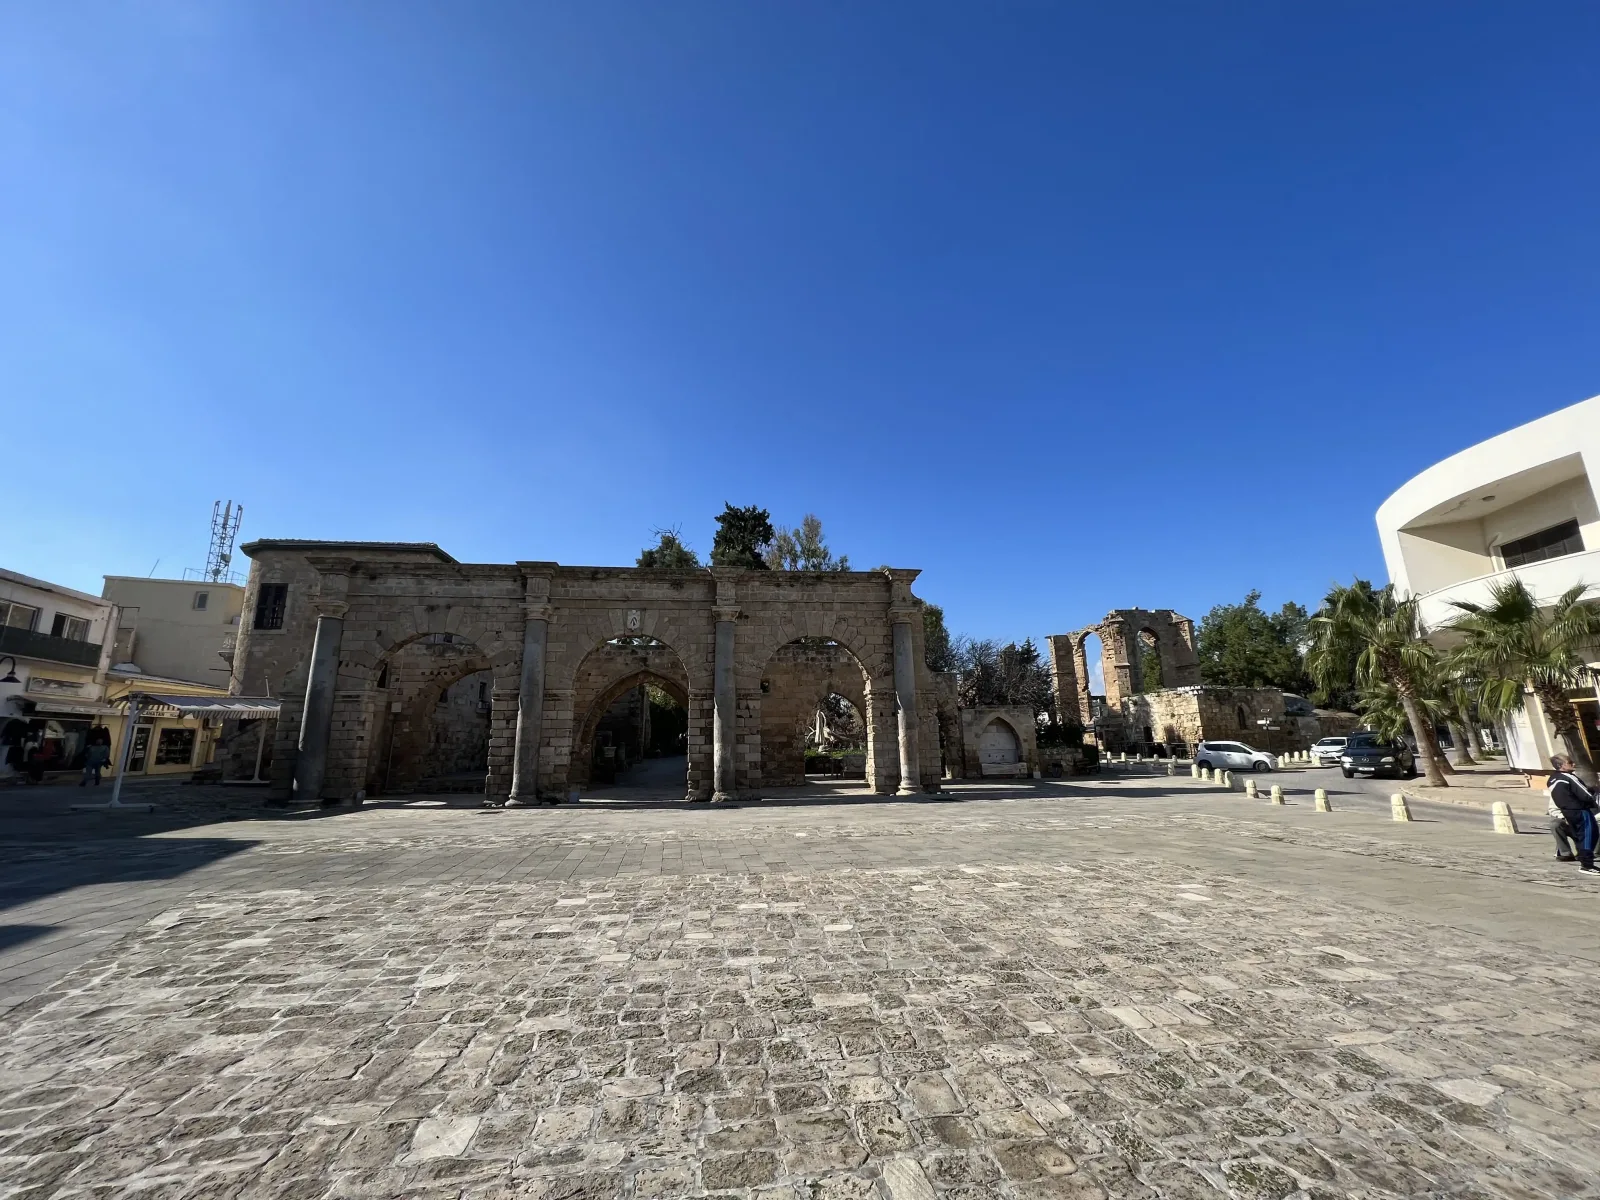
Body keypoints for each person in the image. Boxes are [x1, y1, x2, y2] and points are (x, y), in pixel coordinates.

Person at [1547, 754, 1599, 874]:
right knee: (1589, 835)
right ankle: (1587, 864)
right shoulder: (1568, 777)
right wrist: (1592, 795)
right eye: (1570, 762)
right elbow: (1585, 794)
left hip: (1567, 811)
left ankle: (1584, 860)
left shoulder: (1552, 779)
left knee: (1580, 835)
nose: (1573, 764)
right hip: (1580, 810)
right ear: (1561, 765)